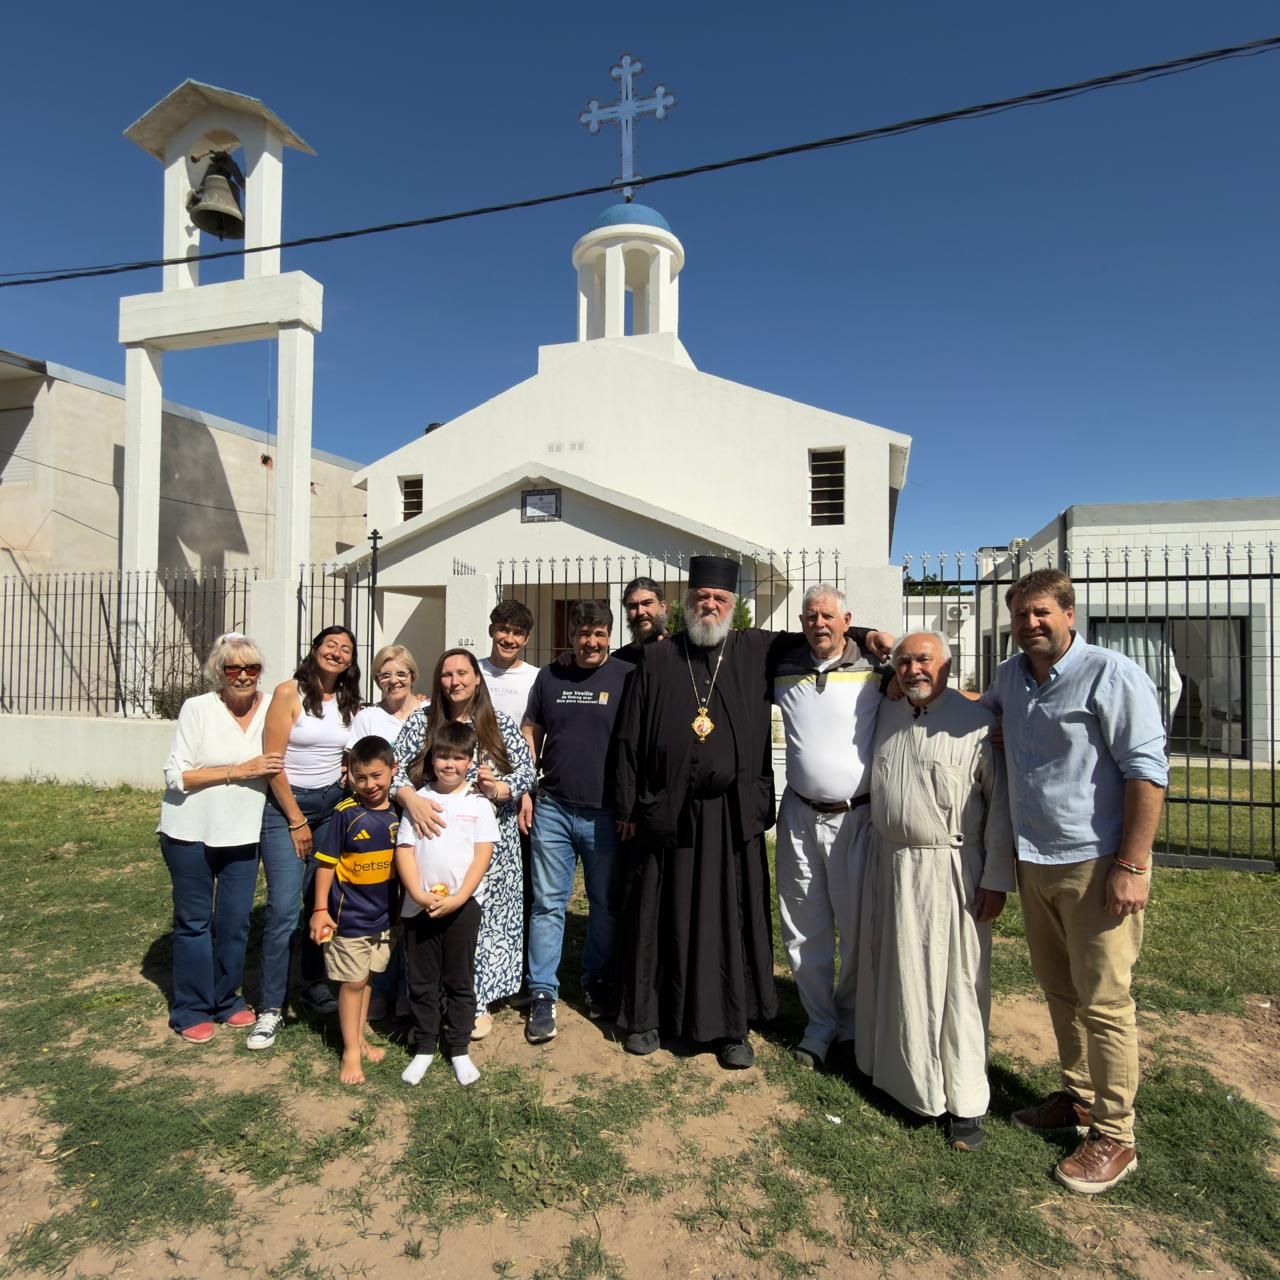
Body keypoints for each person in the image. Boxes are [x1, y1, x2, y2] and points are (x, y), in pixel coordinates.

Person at [612, 555, 890, 1070]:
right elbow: (628, 736)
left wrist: (868, 634)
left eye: (719, 599)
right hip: (667, 814)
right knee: (657, 915)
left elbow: (821, 634)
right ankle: (649, 1017)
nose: (709, 606)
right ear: (687, 604)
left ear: (732, 605)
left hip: (729, 816)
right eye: (701, 598)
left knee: (730, 919)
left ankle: (730, 1027)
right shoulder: (657, 658)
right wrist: (627, 805)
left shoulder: (754, 649)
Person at [983, 569, 1167, 1193]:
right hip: (1034, 859)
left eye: (1041, 612)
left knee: (1106, 1001)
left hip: (1096, 863)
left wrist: (1132, 865)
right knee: (1060, 989)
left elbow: (1147, 772)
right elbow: (974, 711)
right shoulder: (1011, 677)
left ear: (1068, 613)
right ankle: (1079, 1097)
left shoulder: (1110, 675)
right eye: (1020, 614)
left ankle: (1117, 1135)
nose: (1030, 623)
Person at [856, 631, 1014, 1151]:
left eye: (923, 660)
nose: (912, 670)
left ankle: (964, 1101)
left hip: (950, 873)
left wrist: (995, 879)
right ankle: (894, 1074)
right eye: (903, 662)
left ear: (947, 664)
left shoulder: (978, 725)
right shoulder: (888, 711)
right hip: (889, 864)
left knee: (957, 985)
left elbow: (1000, 809)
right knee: (892, 972)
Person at [391, 648, 535, 1039]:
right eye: (446, 674)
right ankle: (428, 999)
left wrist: (499, 788)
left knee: (482, 922)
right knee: (433, 916)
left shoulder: (497, 722)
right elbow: (394, 771)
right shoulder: (422, 720)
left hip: (490, 844)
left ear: (476, 677)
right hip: (434, 837)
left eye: (462, 673)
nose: (454, 681)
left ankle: (476, 1000)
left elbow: (526, 773)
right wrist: (411, 799)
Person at [772, 584, 883, 1070]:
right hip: (797, 815)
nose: (819, 623)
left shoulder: (877, 669)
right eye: (811, 616)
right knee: (802, 926)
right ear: (801, 623)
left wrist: (871, 636)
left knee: (857, 928)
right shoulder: (782, 668)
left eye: (828, 616)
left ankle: (852, 1024)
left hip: (855, 818)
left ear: (847, 621)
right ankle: (819, 1024)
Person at [156, 633, 282, 1043]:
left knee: (235, 922)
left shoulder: (272, 708)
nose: (243, 675)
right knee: (194, 922)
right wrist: (239, 771)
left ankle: (226, 998)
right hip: (189, 831)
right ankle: (191, 1008)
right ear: (219, 672)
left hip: (242, 834)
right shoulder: (198, 708)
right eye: (233, 668)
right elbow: (177, 775)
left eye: (252, 668)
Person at [522, 600, 634, 1044]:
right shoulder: (550, 676)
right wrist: (528, 785)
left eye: (599, 633)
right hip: (552, 807)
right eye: (583, 633)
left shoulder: (626, 676)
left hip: (605, 813)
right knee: (548, 904)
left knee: (604, 904)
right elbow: (531, 729)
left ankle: (596, 979)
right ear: (571, 636)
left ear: (609, 636)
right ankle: (542, 992)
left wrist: (628, 806)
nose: (591, 642)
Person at [249, 625, 362, 1052]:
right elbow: (272, 762)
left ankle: (313, 982)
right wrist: (296, 820)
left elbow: (349, 750)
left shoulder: (349, 702)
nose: (337, 652)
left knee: (321, 900)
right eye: (330, 645)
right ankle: (271, 1007)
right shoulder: (288, 693)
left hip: (331, 808)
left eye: (346, 649)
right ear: (314, 650)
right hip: (287, 808)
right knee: (282, 908)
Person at [396, 720, 498, 1087]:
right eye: (442, 757)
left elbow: (482, 856)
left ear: (470, 761)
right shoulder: (419, 801)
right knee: (422, 980)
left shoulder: (479, 804)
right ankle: (425, 1046)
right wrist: (418, 894)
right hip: (420, 907)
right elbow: (404, 851)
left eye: (458, 758)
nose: (449, 764)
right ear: (432, 759)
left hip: (462, 908)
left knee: (459, 980)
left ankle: (458, 1048)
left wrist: (458, 898)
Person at [309, 735, 400, 1085]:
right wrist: (320, 908)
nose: (369, 784)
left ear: (393, 770)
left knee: (366, 979)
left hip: (384, 918)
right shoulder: (345, 814)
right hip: (349, 918)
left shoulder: (398, 812)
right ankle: (349, 1051)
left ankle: (359, 1039)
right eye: (360, 777)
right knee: (353, 982)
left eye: (377, 776)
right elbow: (326, 864)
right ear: (349, 776)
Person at [346, 644, 429, 747]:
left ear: (412, 676)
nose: (393, 680)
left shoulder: (431, 712)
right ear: (378, 680)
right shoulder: (366, 719)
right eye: (386, 675)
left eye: (401, 674)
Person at [479, 600, 540, 726]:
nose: (509, 640)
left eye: (518, 633)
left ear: (526, 639)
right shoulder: (473, 671)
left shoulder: (537, 678)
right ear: (491, 630)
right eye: (503, 630)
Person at [613, 577, 668, 664]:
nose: (640, 612)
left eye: (647, 603)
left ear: (662, 607)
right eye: (633, 606)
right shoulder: (619, 661)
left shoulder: (682, 653)